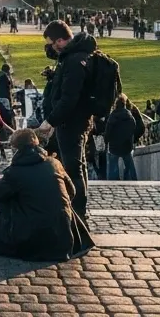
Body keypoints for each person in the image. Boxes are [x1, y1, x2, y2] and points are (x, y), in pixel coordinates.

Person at [0, 128, 94, 261]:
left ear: (16, 149)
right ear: (36, 142)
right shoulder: (55, 163)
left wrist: (0, 178)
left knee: (5, 199)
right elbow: (72, 192)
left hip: (30, 238)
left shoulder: (15, 172)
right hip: (62, 236)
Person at [41, 20, 102, 219]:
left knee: (73, 169)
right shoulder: (74, 57)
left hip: (72, 123)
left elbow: (69, 98)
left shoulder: (74, 61)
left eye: (51, 43)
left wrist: (51, 121)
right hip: (74, 121)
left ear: (60, 41)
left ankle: (77, 214)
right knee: (78, 167)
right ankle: (78, 212)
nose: (49, 47)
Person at [104, 95, 143, 181]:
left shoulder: (112, 116)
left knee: (113, 166)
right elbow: (134, 129)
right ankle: (133, 180)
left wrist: (106, 140)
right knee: (129, 164)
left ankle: (113, 182)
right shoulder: (130, 117)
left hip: (114, 146)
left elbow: (108, 131)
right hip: (127, 145)